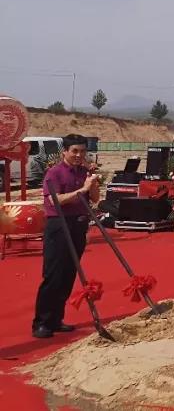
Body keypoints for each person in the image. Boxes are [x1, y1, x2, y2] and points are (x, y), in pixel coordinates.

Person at [32, 134, 100, 339]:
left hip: (78, 224)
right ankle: (42, 322)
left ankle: (56, 319)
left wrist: (93, 184)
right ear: (65, 152)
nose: (79, 155)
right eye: (75, 151)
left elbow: (94, 199)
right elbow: (55, 200)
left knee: (69, 274)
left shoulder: (84, 172)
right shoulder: (54, 173)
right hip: (59, 226)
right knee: (54, 275)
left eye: (82, 151)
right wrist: (82, 189)